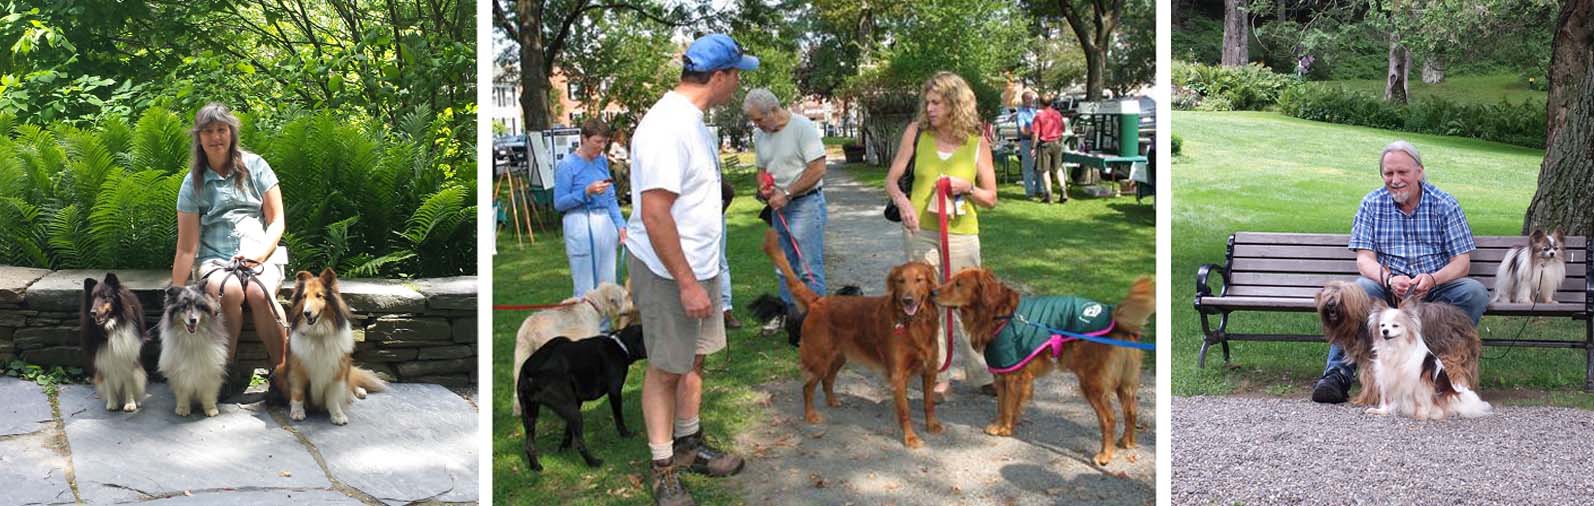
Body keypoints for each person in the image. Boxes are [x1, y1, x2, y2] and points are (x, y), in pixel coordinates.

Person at [625, 33, 754, 506]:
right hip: (667, 270)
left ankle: (688, 444)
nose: (739, 85)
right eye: (737, 75)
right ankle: (662, 469)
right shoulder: (665, 127)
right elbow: (656, 213)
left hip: (696, 266)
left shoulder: (694, 121)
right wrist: (685, 282)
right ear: (718, 77)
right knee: (664, 368)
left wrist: (703, 278)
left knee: (693, 360)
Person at [1311, 140, 1489, 404]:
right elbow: (1364, 260)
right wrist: (1389, 278)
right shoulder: (1371, 204)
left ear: (1419, 172)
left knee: (1474, 293)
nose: (1395, 180)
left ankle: (1437, 368)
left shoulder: (1445, 204)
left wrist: (1432, 278)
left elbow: (1461, 263)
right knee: (1362, 289)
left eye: (1402, 172)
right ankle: (1338, 374)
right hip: (1387, 290)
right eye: (1388, 173)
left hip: (1433, 288)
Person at [883, 71, 998, 401]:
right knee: (927, 303)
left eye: (937, 102)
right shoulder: (916, 134)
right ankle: (939, 375)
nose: (929, 108)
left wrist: (969, 188)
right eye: (928, 101)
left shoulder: (977, 143)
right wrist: (903, 201)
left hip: (962, 233)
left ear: (955, 104)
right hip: (921, 231)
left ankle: (980, 372)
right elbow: (892, 180)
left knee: (968, 302)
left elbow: (991, 198)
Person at [170, 102, 288, 400]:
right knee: (230, 291)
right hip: (215, 259)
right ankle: (223, 371)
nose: (215, 137)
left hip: (260, 253)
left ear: (231, 133)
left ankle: (283, 374)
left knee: (260, 294)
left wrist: (260, 255)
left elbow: (277, 222)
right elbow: (187, 247)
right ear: (199, 138)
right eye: (207, 131)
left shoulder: (256, 166)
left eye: (221, 130)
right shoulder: (192, 183)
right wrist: (175, 290)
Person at [744, 88, 829, 318]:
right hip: (778, 207)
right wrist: (763, 187)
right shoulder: (761, 135)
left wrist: (788, 193)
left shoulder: (802, 128)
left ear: (773, 110)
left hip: (805, 205)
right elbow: (762, 169)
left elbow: (818, 168)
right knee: (782, 265)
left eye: (759, 119)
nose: (757, 125)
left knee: (808, 267)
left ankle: (816, 319)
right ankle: (789, 317)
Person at [553, 118, 626, 298]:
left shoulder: (601, 162)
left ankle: (606, 326)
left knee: (607, 283)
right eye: (597, 141)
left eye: (605, 142)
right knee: (585, 284)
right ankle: (584, 325)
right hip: (580, 222)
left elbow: (610, 198)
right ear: (584, 138)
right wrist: (586, 192)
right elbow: (559, 203)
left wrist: (621, 225)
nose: (602, 146)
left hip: (604, 222)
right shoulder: (568, 165)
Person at [1031, 95, 1068, 204]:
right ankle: (1063, 191)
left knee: (1045, 170)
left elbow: (1035, 133)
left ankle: (1049, 195)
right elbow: (1063, 128)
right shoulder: (1057, 114)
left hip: (1045, 144)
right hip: (1057, 143)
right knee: (1058, 168)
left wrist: (1033, 147)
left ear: (1040, 103)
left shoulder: (1039, 116)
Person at [1015, 90, 1039, 200]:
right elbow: (1022, 129)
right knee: (1028, 168)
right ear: (1023, 100)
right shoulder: (1021, 113)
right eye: (1028, 99)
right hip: (1026, 142)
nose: (1031, 101)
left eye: (1032, 99)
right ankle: (1030, 193)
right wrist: (1033, 132)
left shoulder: (1034, 111)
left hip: (1037, 141)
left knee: (1039, 167)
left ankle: (1040, 190)